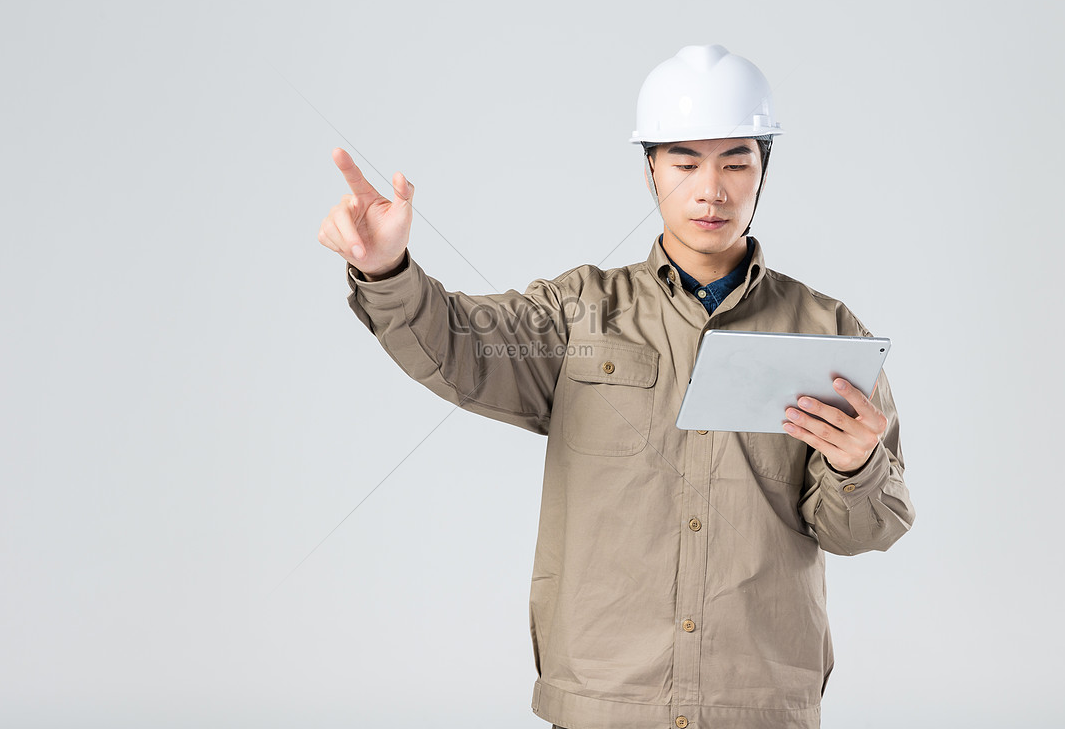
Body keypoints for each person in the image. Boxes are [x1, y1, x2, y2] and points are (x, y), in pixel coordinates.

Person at [318, 44, 915, 729]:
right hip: (605, 701)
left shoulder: (827, 332)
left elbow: (866, 527)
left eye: (735, 161)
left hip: (757, 704)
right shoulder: (575, 313)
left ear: (764, 171)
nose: (711, 188)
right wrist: (388, 269)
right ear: (650, 171)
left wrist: (858, 463)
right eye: (684, 162)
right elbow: (461, 344)